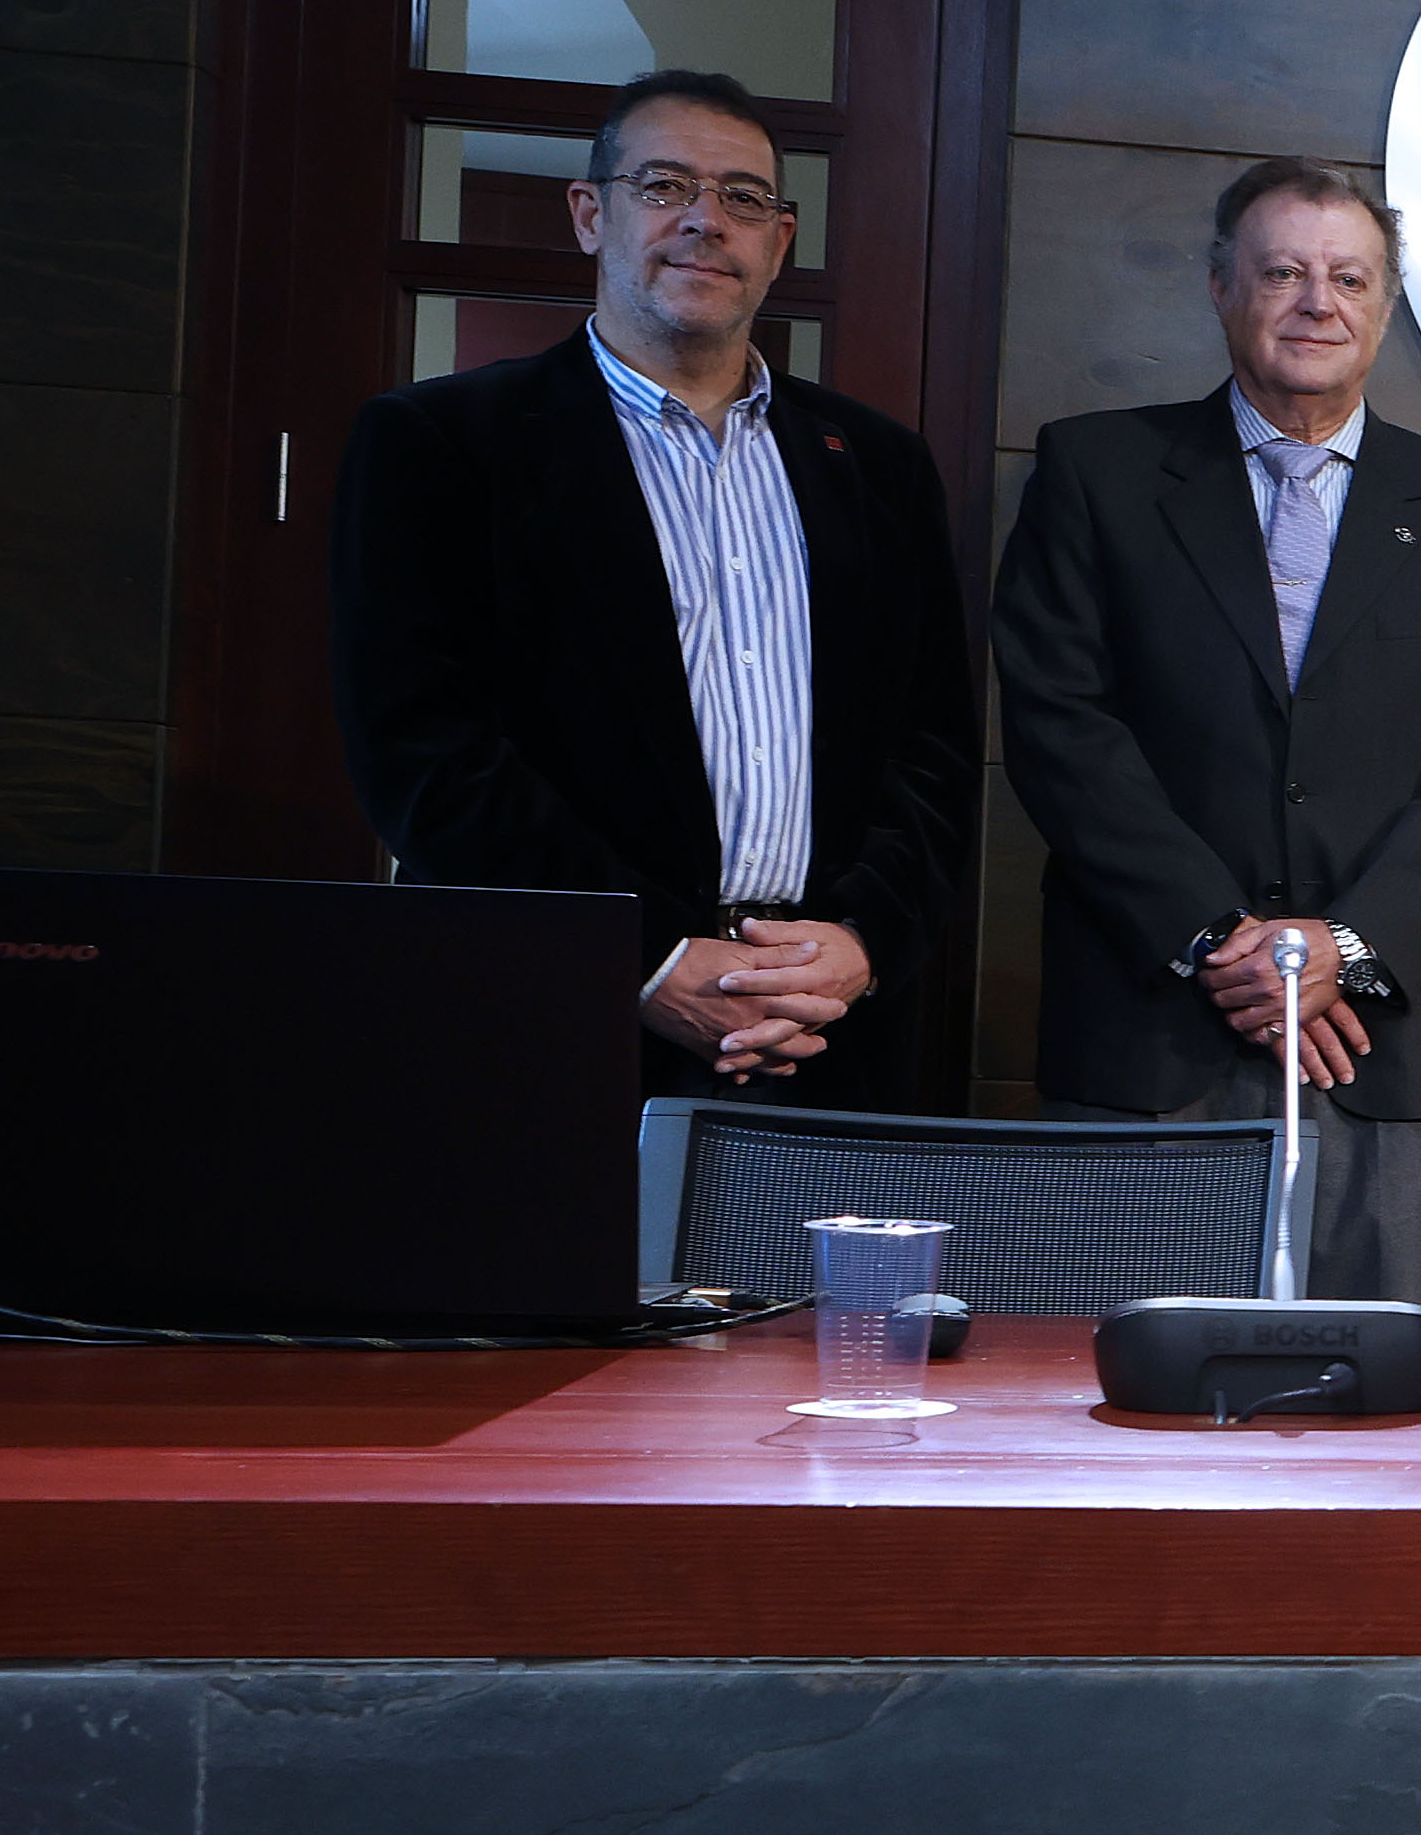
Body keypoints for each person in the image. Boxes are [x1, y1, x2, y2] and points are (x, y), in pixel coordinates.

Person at [328, 64, 968, 1105]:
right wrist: (652, 955)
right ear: (590, 213)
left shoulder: (879, 466)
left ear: (779, 241)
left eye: (742, 198)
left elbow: (933, 752)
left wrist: (859, 940)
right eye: (665, 186)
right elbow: (423, 755)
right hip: (550, 1019)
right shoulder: (440, 445)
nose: (705, 221)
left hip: (823, 1031)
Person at [986, 160, 1421, 1305]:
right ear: (1218, 286)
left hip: (1374, 1041)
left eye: (1350, 277)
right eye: (1282, 270)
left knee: (1362, 1416)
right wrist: (1222, 941)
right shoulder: (1098, 471)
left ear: (1386, 309)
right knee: (1128, 1416)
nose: (1316, 301)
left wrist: (1341, 949)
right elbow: (1059, 726)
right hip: (1151, 1031)